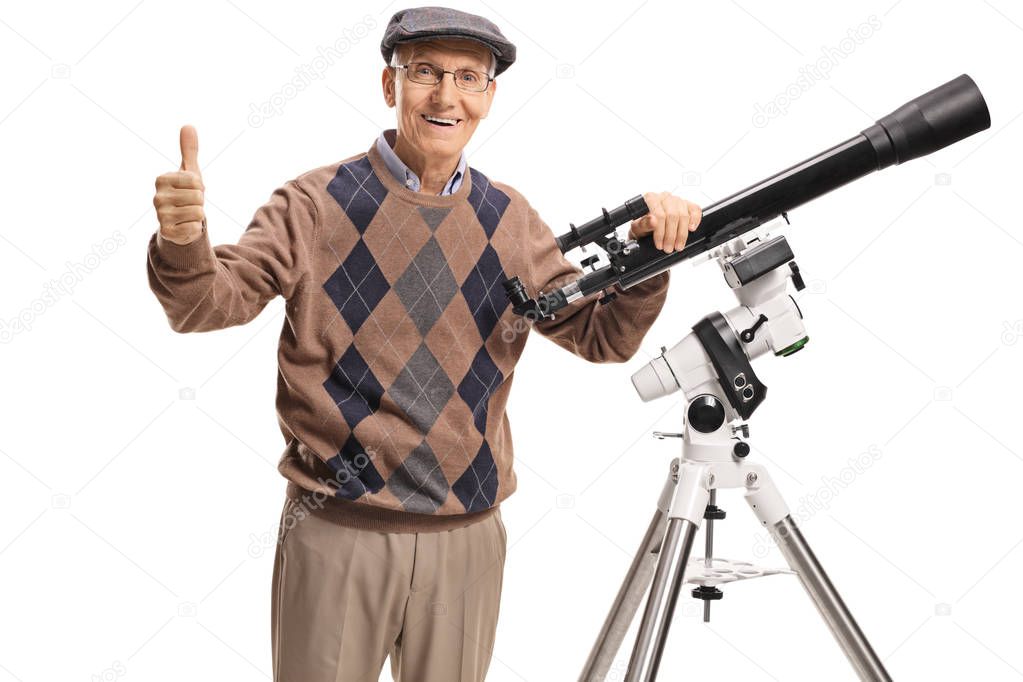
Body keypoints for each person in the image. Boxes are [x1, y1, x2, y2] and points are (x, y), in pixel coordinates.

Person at [147, 6, 701, 681]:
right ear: (390, 86)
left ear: (489, 99)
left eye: (468, 78)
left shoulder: (508, 220)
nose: (445, 97)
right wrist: (183, 243)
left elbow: (601, 337)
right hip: (336, 532)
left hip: (466, 541)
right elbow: (206, 304)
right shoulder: (312, 204)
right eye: (425, 73)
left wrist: (654, 257)